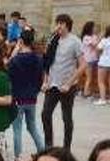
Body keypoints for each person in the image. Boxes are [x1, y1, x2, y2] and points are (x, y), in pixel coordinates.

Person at [41, 14, 85, 150]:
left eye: (61, 23)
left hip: (67, 86)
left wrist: (69, 83)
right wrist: (45, 81)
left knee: (66, 117)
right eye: (57, 23)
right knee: (45, 114)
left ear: (67, 25)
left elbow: (83, 65)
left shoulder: (75, 41)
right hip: (52, 84)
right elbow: (48, 63)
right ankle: (49, 146)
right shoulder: (53, 40)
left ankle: (66, 149)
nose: (58, 26)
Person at [8, 30, 45, 161]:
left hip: (18, 98)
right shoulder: (38, 58)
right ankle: (42, 150)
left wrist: (15, 51)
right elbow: (40, 79)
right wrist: (35, 91)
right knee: (32, 126)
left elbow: (9, 74)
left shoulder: (15, 60)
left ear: (21, 41)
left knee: (17, 129)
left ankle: (18, 158)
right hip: (31, 98)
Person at [95, 26, 110, 105]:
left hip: (104, 62)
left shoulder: (104, 40)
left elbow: (97, 49)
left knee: (101, 81)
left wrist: (99, 56)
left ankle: (102, 99)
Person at [79, 22, 99, 98]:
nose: (95, 29)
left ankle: (89, 91)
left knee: (92, 77)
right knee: (89, 77)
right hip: (88, 60)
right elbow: (94, 45)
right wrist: (100, 38)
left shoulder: (94, 36)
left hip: (95, 59)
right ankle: (85, 93)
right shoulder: (86, 37)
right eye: (94, 27)